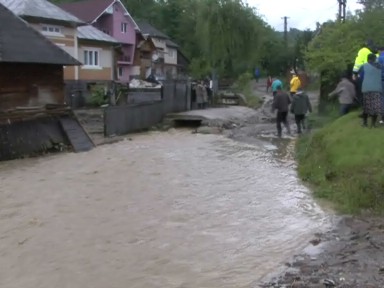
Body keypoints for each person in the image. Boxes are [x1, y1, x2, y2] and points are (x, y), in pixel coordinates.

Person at [360, 53, 383, 127]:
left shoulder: (363, 66)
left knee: (366, 106)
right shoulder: (380, 66)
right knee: (375, 107)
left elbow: (361, 77)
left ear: (368, 59)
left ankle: (365, 123)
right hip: (377, 88)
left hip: (366, 88)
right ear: (374, 59)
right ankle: (373, 124)